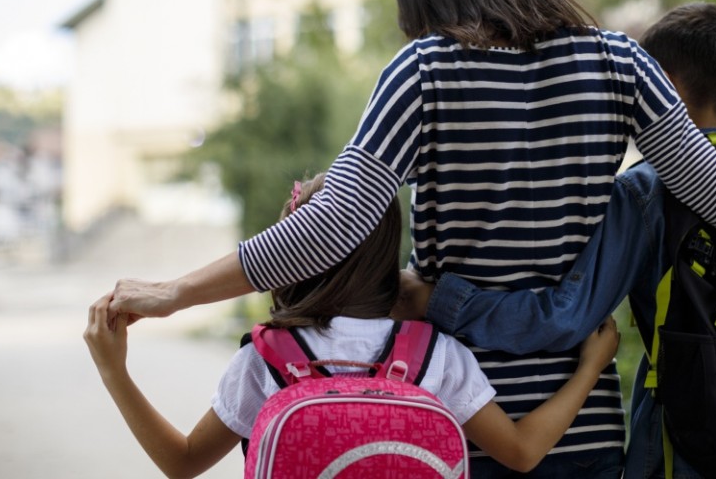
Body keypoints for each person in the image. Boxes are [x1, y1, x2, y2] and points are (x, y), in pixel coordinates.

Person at [106, 0, 716, 476]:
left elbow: (332, 225)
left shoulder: (425, 71)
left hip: (450, 416)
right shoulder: (622, 64)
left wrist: (176, 291)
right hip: (581, 426)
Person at [396, 1, 716, 479]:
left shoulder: (644, 194)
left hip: (679, 434)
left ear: (661, 82)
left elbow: (564, 317)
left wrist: (438, 300)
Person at [84, 173, 621, 477]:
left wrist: (115, 372)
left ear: (289, 252)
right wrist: (589, 367)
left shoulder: (266, 359)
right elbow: (523, 452)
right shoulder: (435, 354)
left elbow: (181, 464)